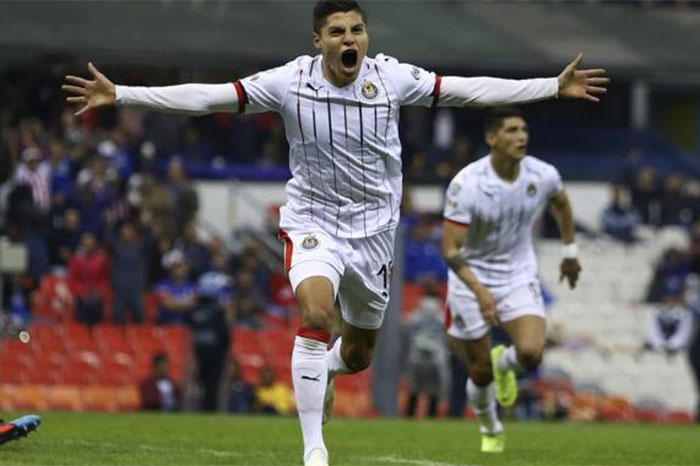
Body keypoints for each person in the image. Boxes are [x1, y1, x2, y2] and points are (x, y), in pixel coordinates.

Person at [62, 2, 607, 463]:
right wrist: (124, 93)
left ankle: (325, 370)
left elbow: (469, 90)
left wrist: (551, 87)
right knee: (318, 314)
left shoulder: (390, 77)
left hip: (375, 233)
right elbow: (208, 97)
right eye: (339, 32)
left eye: (358, 30)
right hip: (313, 220)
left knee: (360, 353)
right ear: (318, 40)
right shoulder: (289, 82)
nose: (351, 40)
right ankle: (314, 450)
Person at [441, 107, 581, 453]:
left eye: (524, 130)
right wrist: (480, 292)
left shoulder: (542, 174)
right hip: (470, 276)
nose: (522, 137)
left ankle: (505, 363)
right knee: (479, 370)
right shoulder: (467, 184)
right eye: (512, 130)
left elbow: (562, 204)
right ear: (492, 138)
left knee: (531, 353)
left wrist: (570, 251)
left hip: (518, 273)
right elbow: (450, 249)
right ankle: (491, 427)